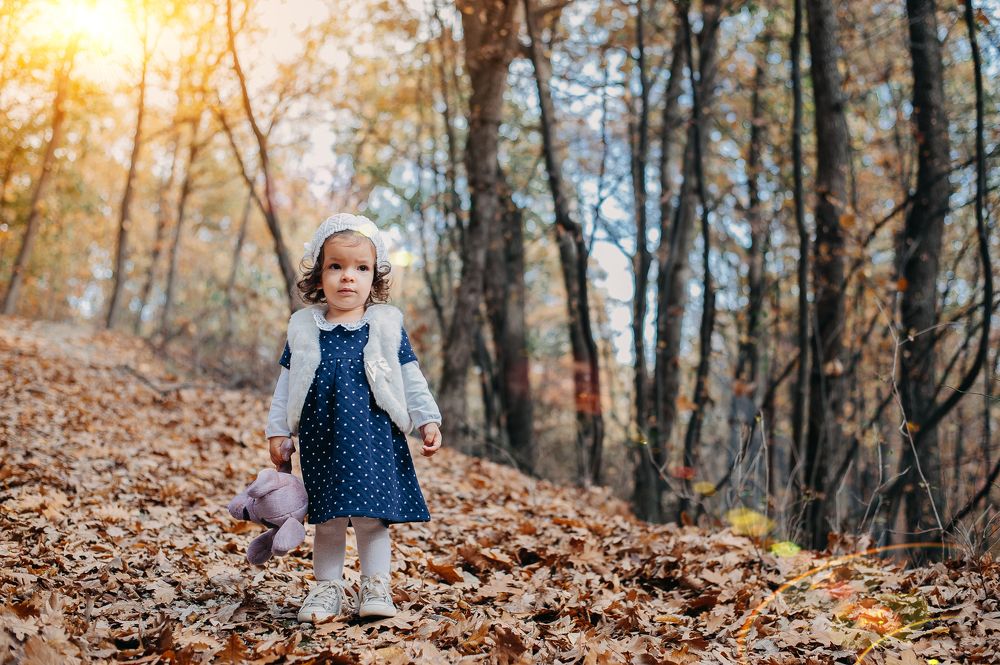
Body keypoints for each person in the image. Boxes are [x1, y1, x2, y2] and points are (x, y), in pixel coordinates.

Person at [263, 213, 443, 623]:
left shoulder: (384, 325)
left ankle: (375, 585)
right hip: (323, 439)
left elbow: (410, 377)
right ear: (319, 276)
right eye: (337, 267)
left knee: (371, 517)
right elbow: (285, 386)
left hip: (375, 437)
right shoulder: (305, 329)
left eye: (361, 268)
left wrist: (426, 419)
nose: (348, 277)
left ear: (374, 277)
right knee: (328, 518)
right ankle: (326, 590)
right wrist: (277, 430)